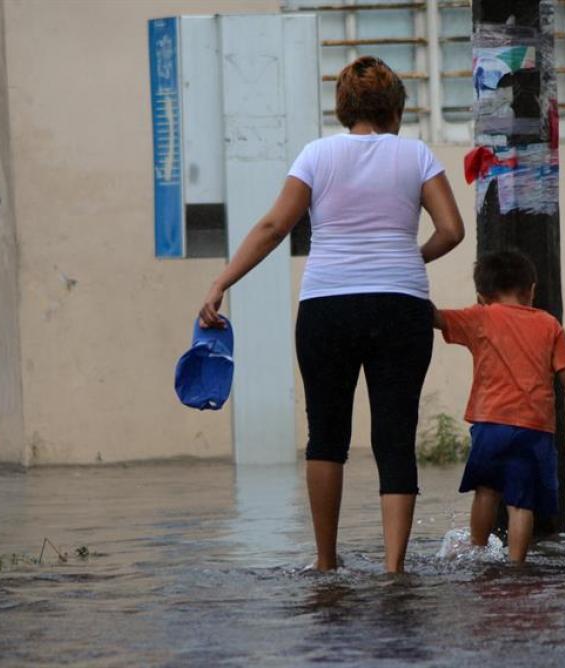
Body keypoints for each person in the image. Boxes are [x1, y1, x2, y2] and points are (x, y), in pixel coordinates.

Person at [198, 56, 465, 572]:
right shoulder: (416, 155)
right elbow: (452, 230)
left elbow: (274, 227)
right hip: (400, 307)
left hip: (327, 306)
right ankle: (394, 568)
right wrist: (408, 258)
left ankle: (325, 562)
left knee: (325, 435)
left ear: (343, 107)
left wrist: (221, 282)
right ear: (395, 108)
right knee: (394, 435)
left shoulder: (316, 155)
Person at [433, 250, 565, 562]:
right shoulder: (548, 324)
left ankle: (477, 551)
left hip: (490, 424)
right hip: (534, 428)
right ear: (531, 289)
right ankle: (517, 564)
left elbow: (435, 317)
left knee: (486, 490)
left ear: (482, 296)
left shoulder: (479, 316)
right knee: (522, 503)